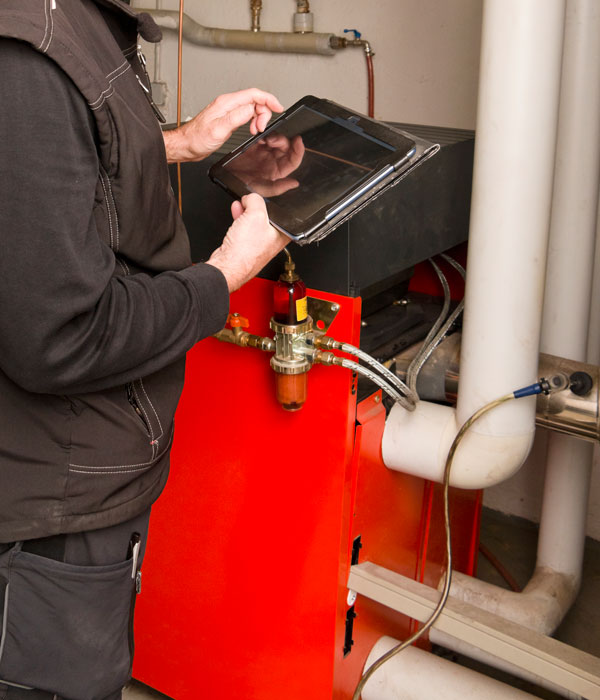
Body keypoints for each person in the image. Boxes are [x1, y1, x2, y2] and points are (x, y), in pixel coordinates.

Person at [0, 1, 295, 698]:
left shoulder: (71, 21)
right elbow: (61, 337)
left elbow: (51, 160)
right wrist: (225, 275)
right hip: (51, 496)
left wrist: (179, 142)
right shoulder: (27, 51)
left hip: (78, 476)